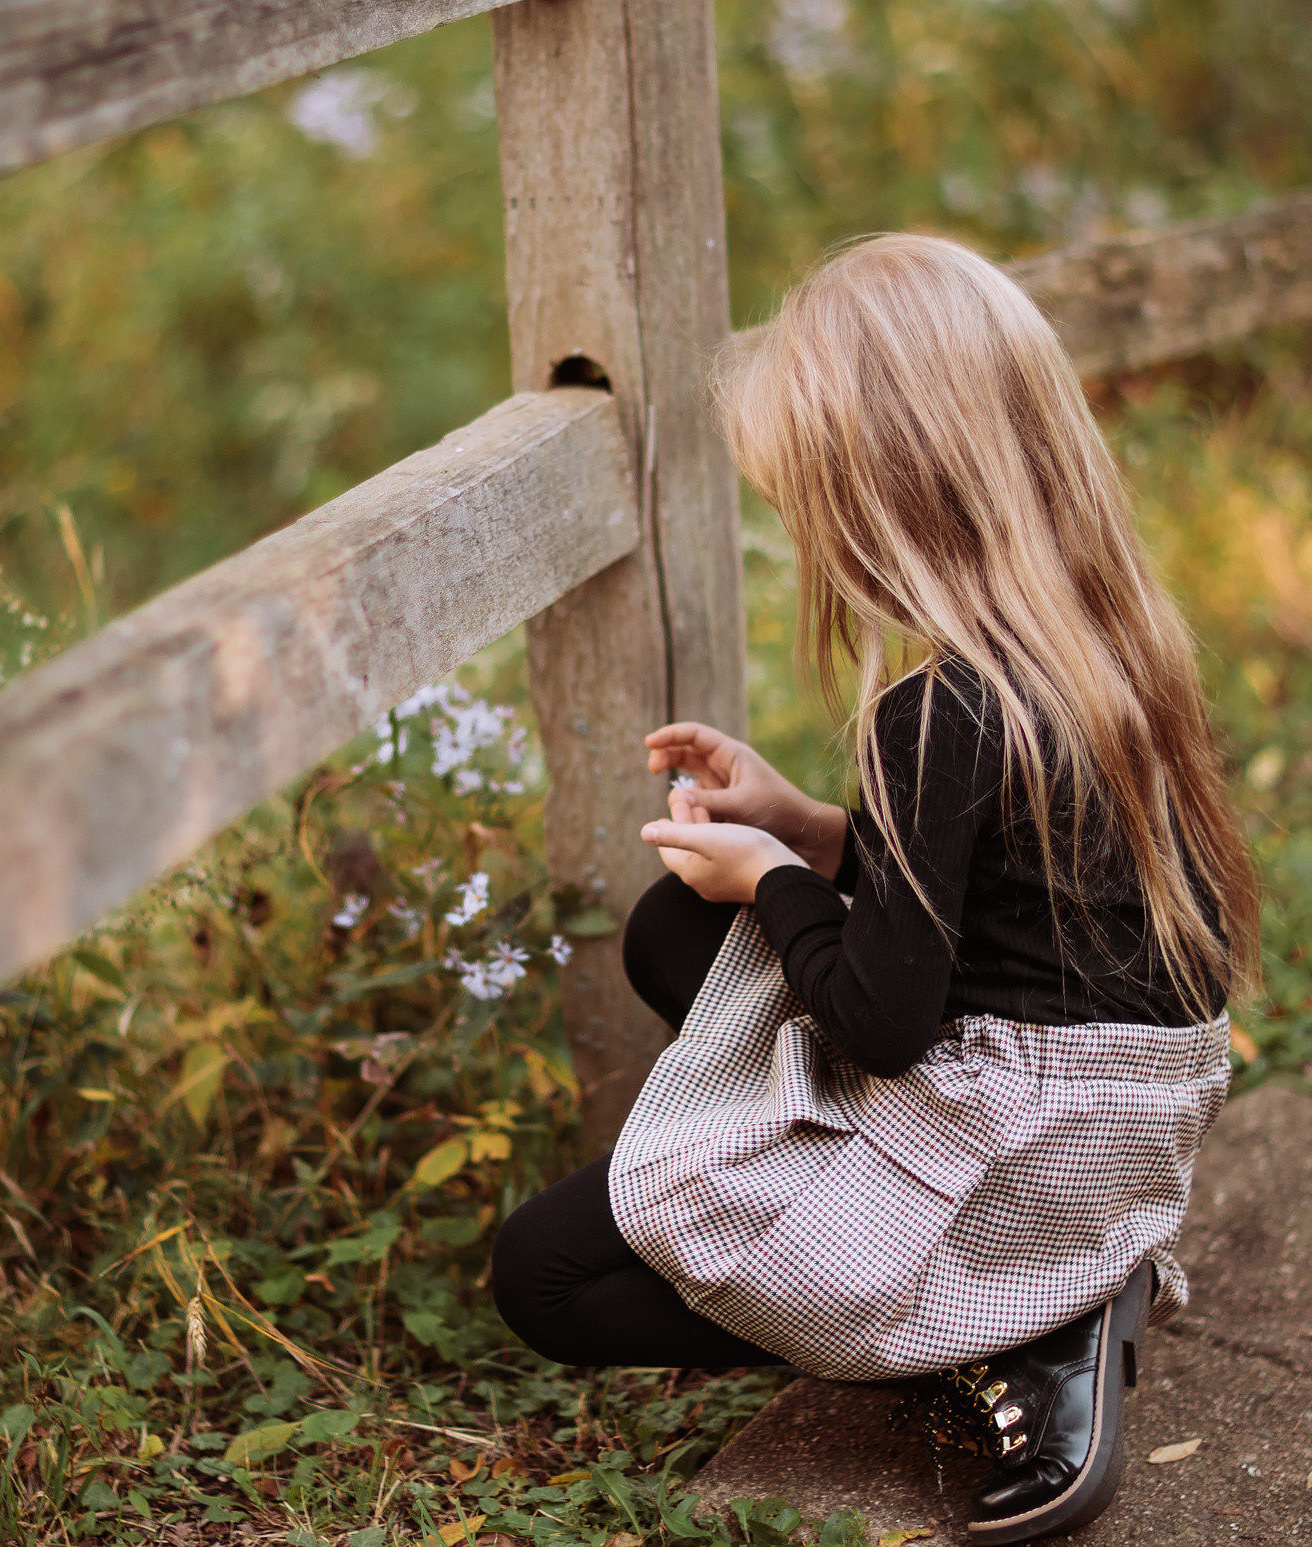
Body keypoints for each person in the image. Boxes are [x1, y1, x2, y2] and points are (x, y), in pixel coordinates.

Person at [492, 233, 1261, 1543]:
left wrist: (777, 872)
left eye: (811, 505)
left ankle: (995, 1335)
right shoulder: (1107, 640)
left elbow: (885, 1026)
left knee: (542, 1277)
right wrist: (798, 826)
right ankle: (1058, 1281)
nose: (808, 536)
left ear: (888, 498)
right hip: (1129, 1113)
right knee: (687, 923)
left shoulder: (937, 711)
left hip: (1026, 1135)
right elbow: (1017, 901)